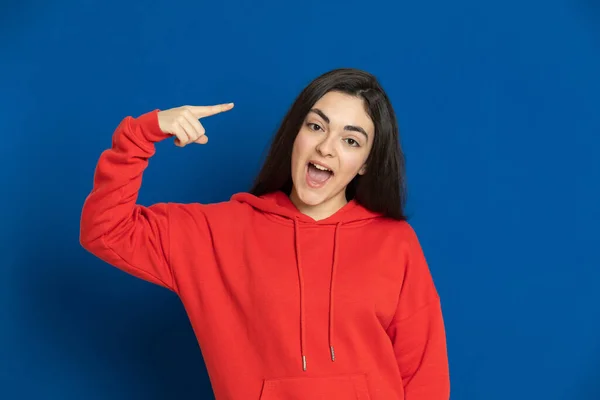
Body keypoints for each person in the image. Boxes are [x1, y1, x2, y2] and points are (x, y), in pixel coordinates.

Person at [80, 68, 450, 399]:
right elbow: (105, 228)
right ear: (296, 134)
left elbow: (425, 376)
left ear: (366, 162)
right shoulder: (219, 233)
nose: (326, 147)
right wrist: (143, 134)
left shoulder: (394, 242)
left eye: (350, 140)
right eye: (316, 126)